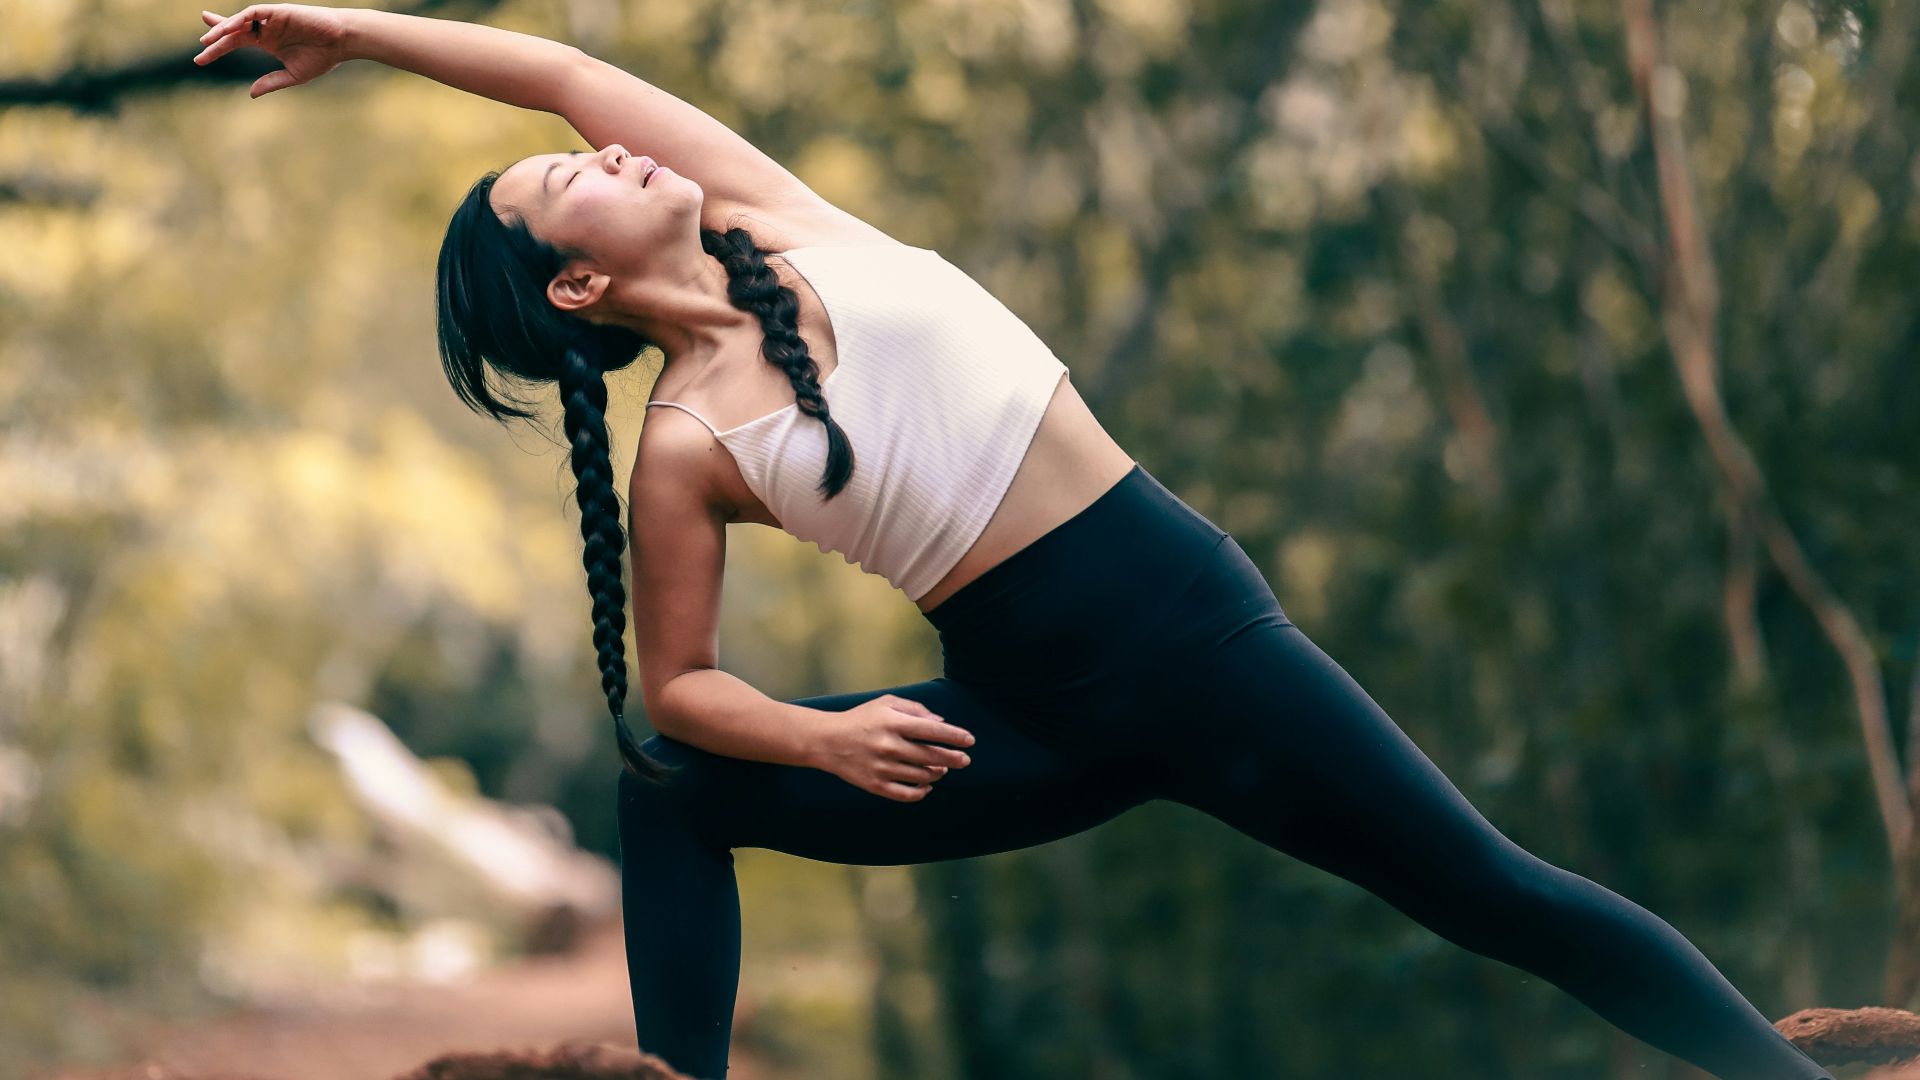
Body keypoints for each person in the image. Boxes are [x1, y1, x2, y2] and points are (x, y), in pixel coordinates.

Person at [194, 7, 1838, 1080]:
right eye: (571, 182)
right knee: (668, 796)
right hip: (1027, 719)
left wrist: (350, 30)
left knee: (1495, 892)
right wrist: (822, 736)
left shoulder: (776, 216)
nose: (608, 144)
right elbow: (681, 691)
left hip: (1201, 642)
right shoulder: (686, 446)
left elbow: (553, 67)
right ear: (574, 285)